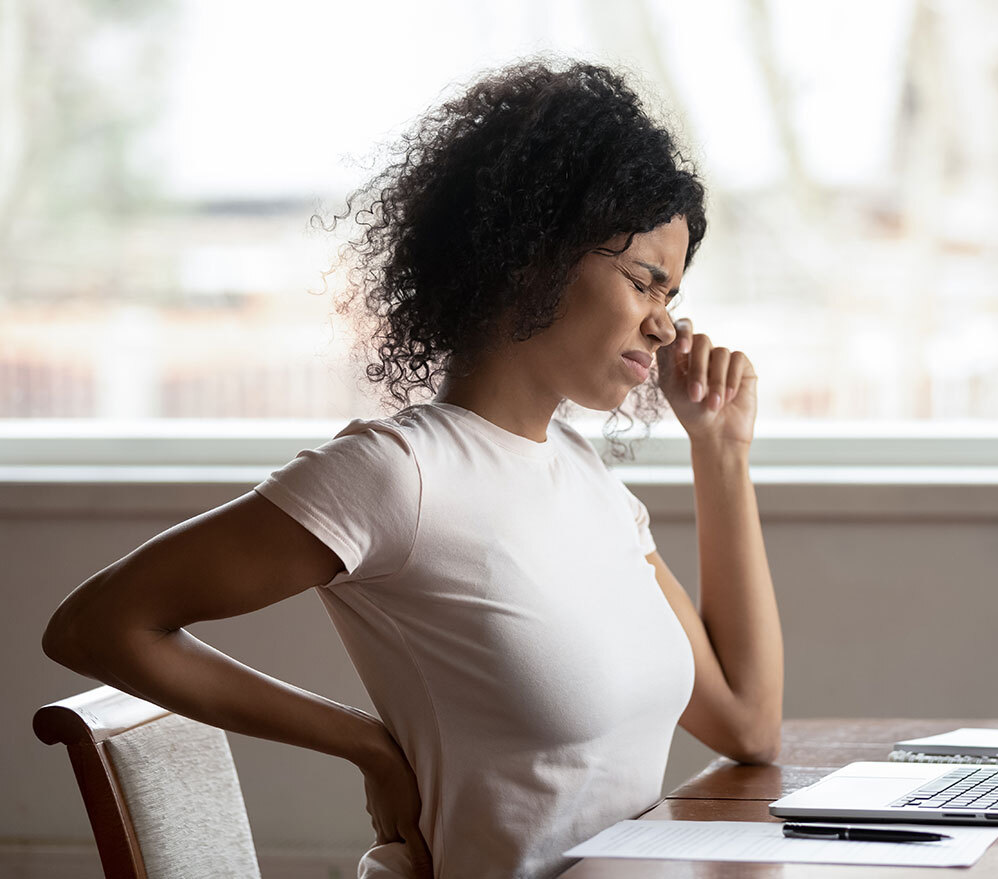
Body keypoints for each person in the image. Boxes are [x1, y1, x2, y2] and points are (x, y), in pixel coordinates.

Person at [42, 59, 783, 879]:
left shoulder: (587, 479)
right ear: (534, 253)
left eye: (673, 297)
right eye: (646, 282)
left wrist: (721, 450)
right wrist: (363, 741)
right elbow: (96, 626)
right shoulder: (399, 475)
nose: (665, 327)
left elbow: (747, 726)